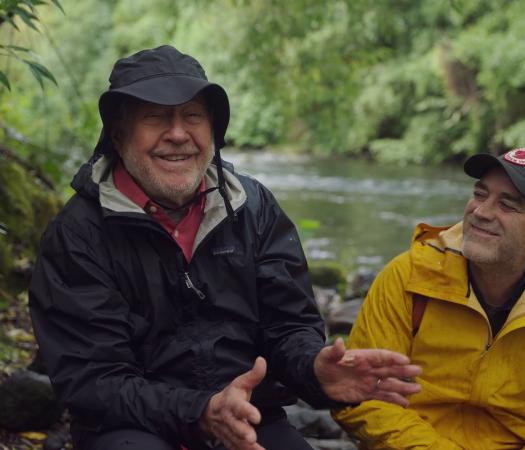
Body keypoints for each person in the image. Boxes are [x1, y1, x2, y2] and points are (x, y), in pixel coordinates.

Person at [28, 45, 421, 450]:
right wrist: (202, 411)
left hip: (248, 416)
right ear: (118, 132)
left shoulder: (254, 208)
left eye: (192, 116)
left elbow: (288, 327)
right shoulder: (78, 235)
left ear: (212, 128)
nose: (178, 134)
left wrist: (313, 369)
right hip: (130, 427)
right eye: (155, 117)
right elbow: (95, 381)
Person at [332, 148, 525, 449]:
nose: (481, 212)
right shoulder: (407, 277)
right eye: (479, 194)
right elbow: (364, 392)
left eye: (507, 205)